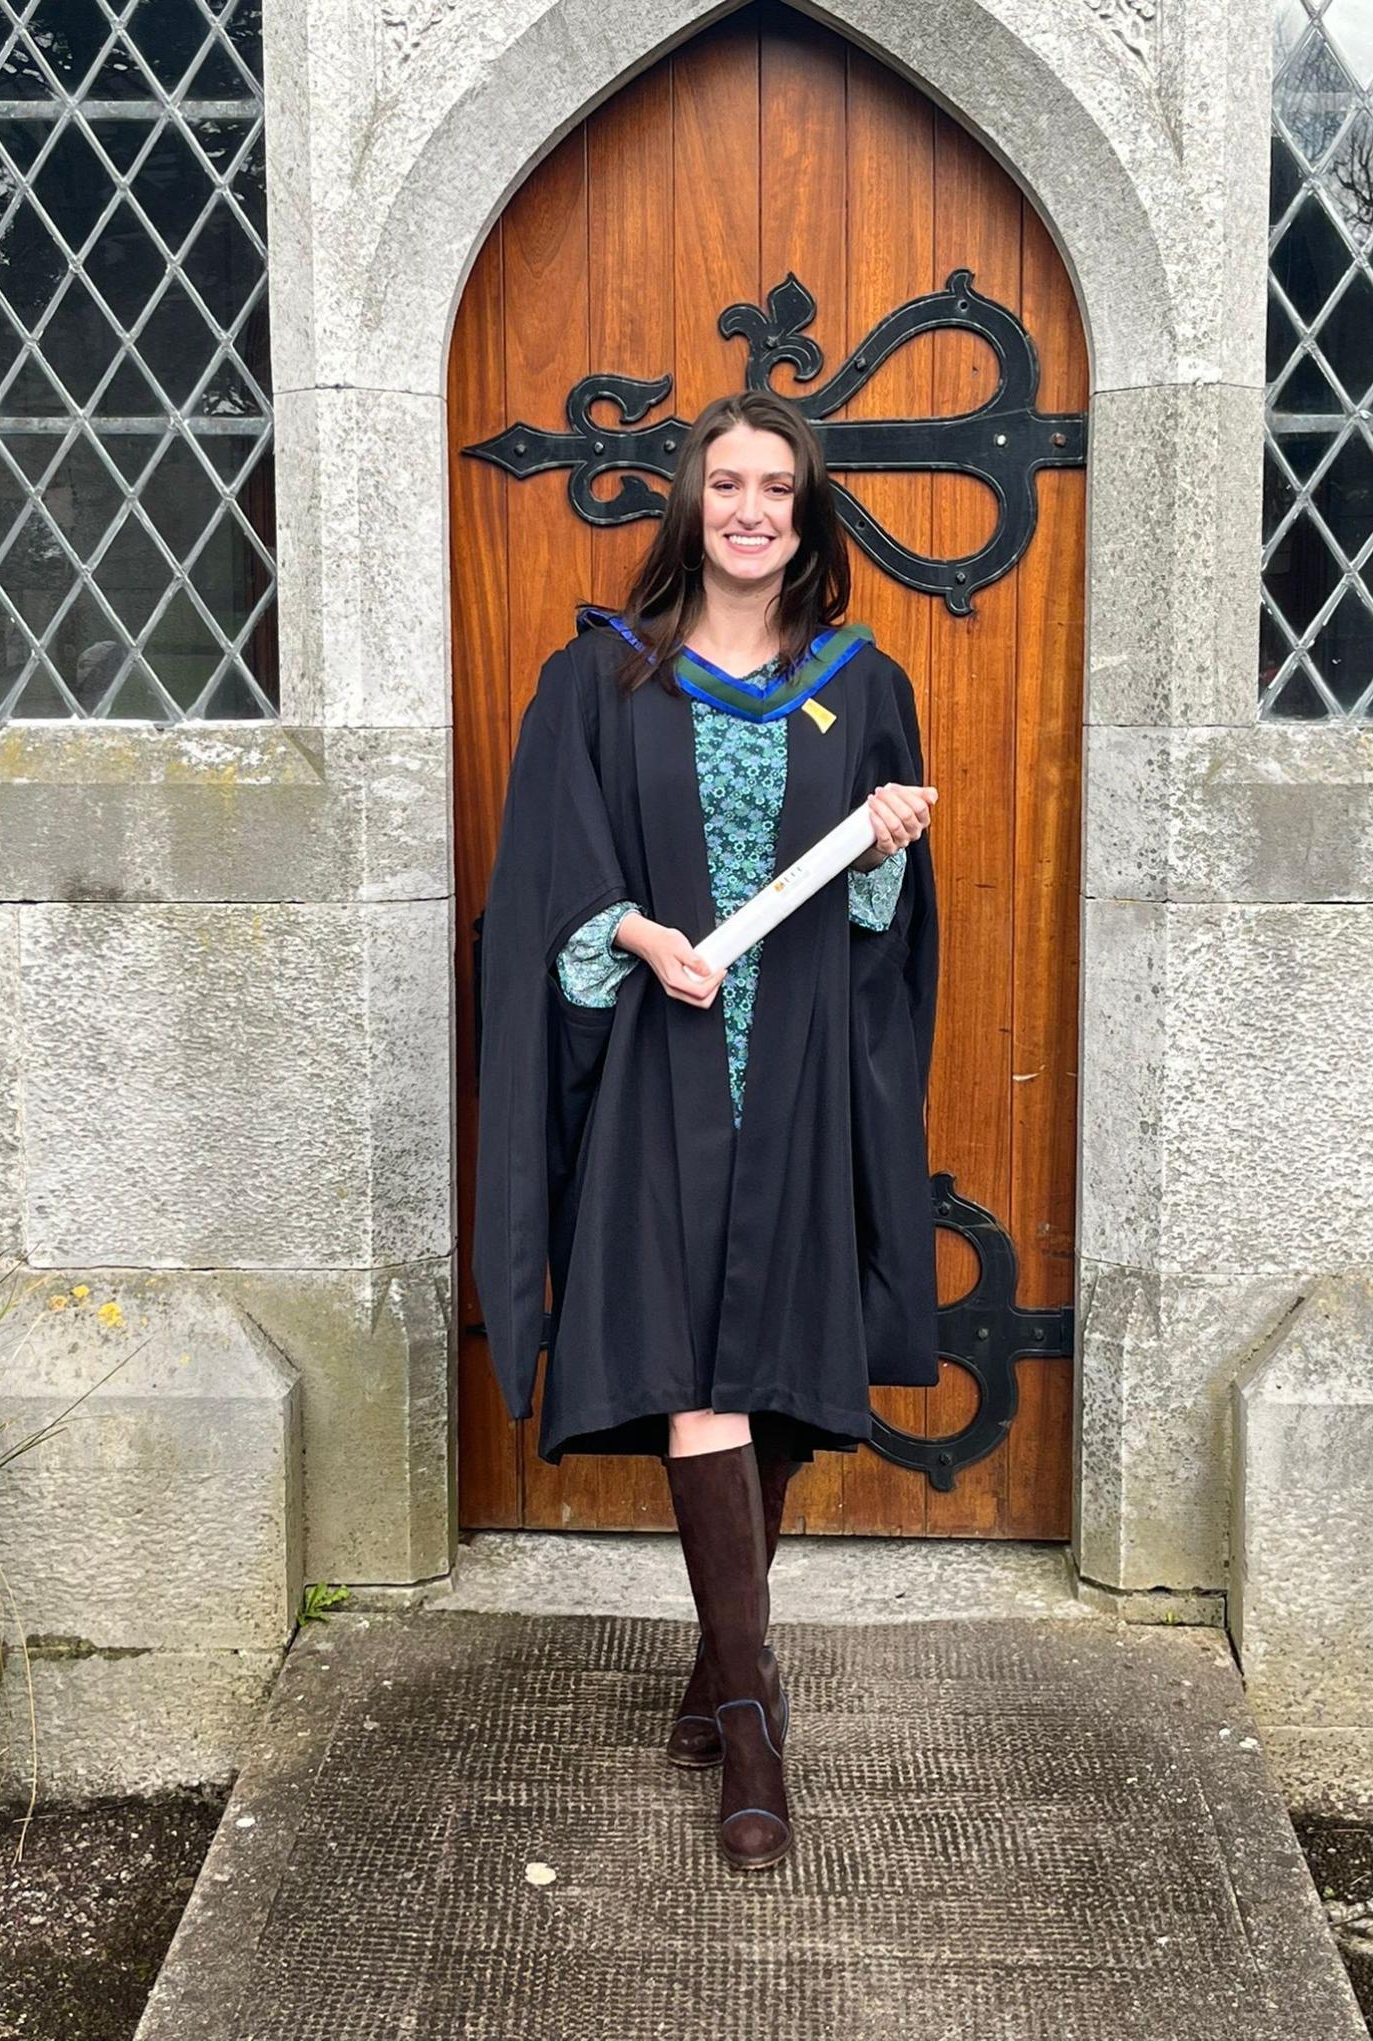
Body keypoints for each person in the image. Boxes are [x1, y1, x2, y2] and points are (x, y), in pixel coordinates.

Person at [472, 388, 939, 1872]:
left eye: (779, 489)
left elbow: (884, 920)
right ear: (691, 504)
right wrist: (629, 929)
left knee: (775, 1377)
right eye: (727, 483)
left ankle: (713, 1670)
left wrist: (885, 851)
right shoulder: (603, 678)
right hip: (667, 1068)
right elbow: (552, 865)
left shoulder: (860, 682)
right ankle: (754, 1724)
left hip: (796, 1062)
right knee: (695, 1365)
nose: (751, 508)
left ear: (807, 518)